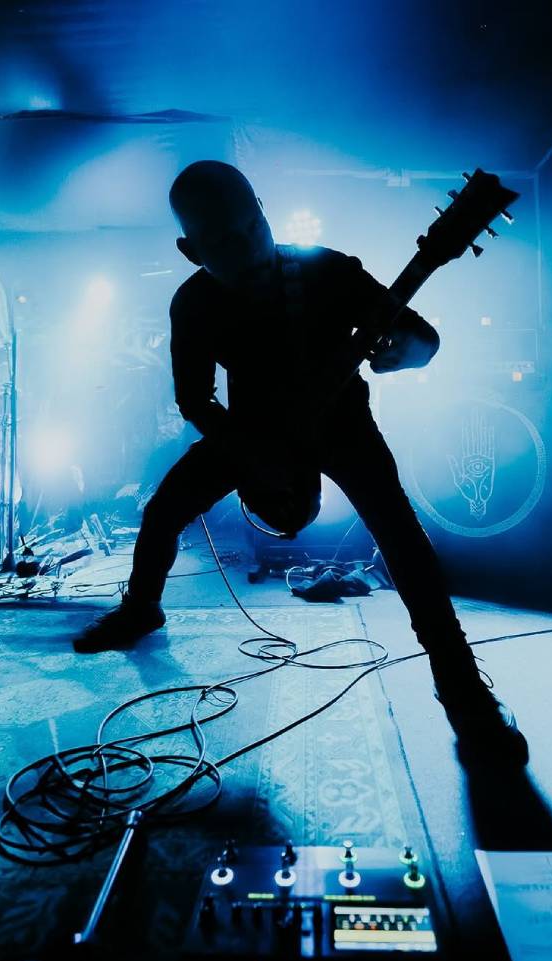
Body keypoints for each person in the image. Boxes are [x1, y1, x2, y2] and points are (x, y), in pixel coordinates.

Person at [72, 160, 528, 767]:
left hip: (344, 426)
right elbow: (194, 399)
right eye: (226, 242)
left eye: (254, 226)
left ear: (264, 211)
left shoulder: (327, 269)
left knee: (404, 540)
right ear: (191, 251)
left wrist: (411, 351)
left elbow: (421, 335)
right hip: (251, 432)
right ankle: (140, 609)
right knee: (162, 511)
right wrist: (248, 451)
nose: (250, 248)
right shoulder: (195, 302)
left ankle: (462, 689)